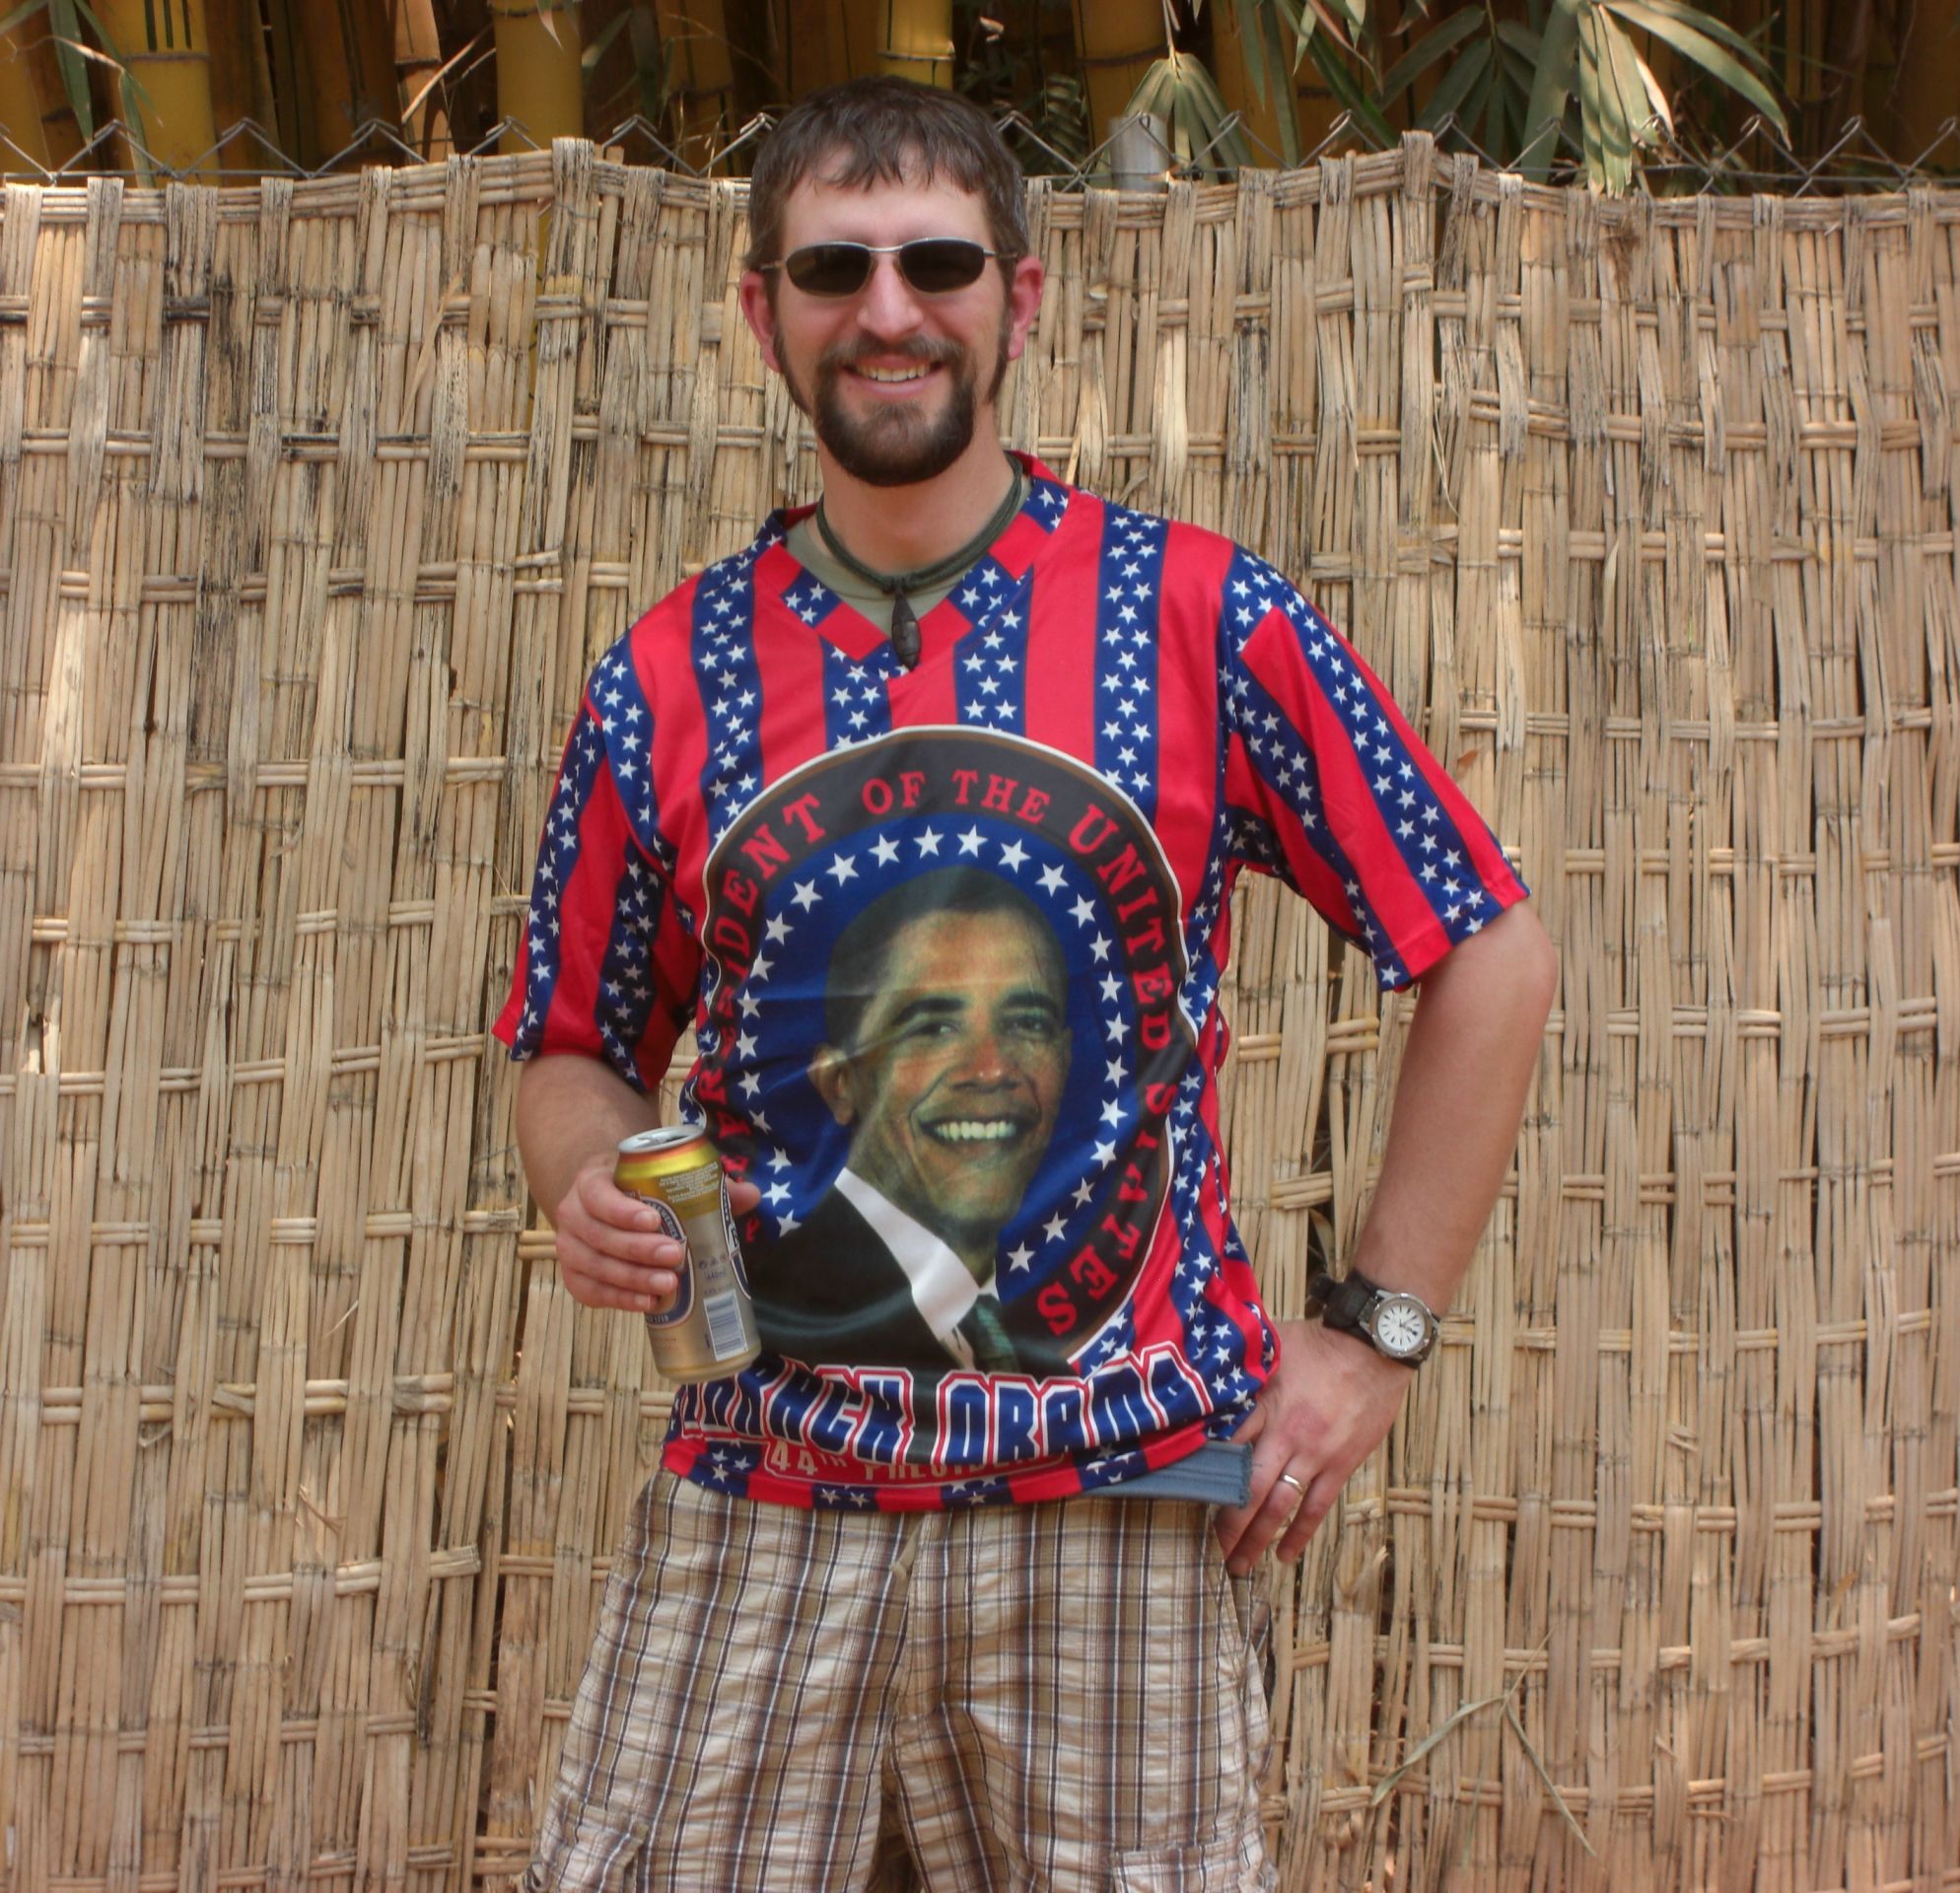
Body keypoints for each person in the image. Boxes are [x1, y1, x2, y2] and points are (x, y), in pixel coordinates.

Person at [498, 74, 1557, 1892]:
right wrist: (585, 1172)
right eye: (833, 267)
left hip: (1123, 1502)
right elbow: (574, 1045)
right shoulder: (666, 676)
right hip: (772, 1488)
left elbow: (1484, 946)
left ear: (1022, 296)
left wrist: (1373, 1338)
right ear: (761, 309)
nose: (887, 309)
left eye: (937, 264)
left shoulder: (1198, 616)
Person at [764, 867, 1074, 1374]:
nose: (992, 1069)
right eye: (934, 1029)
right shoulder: (778, 1311)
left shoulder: (1047, 1357)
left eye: (1027, 1023)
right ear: (841, 1082)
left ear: (1065, 1057)